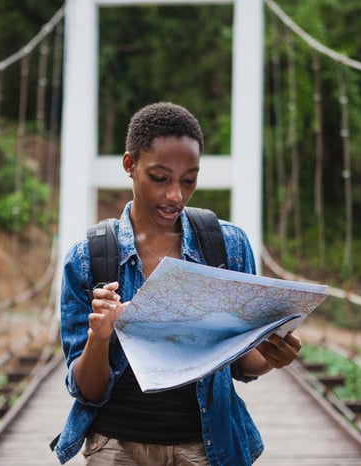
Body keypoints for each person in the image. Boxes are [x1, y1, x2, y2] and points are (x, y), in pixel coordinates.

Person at [53, 102, 302, 465]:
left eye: (189, 180)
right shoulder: (87, 258)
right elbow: (87, 390)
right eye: (160, 178)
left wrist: (272, 354)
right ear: (129, 165)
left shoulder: (227, 246)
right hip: (116, 449)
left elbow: (242, 363)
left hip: (207, 448)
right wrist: (100, 337)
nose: (176, 196)